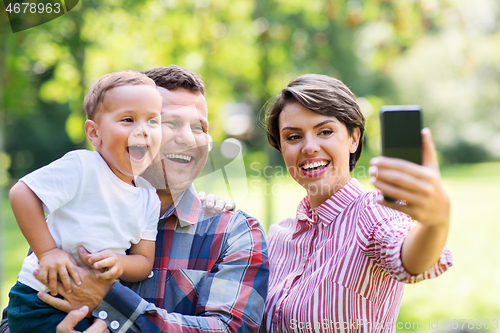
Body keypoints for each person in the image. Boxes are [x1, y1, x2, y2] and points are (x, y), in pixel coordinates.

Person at [0, 65, 269, 333]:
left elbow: (230, 330)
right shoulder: (76, 204)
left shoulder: (232, 234)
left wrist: (109, 301)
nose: (188, 138)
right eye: (169, 122)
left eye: (199, 127)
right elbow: (14, 319)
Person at [261, 74, 452, 333]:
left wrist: (435, 221)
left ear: (353, 138)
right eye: (293, 137)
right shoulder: (277, 236)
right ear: (282, 148)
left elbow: (411, 261)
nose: (309, 147)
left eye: (325, 131)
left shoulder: (375, 214)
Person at [6, 70, 163, 333]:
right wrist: (47, 252)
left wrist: (120, 263)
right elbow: (22, 194)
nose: (143, 131)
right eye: (128, 119)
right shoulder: (84, 166)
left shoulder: (148, 197)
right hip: (42, 297)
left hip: (94, 304)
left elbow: (143, 261)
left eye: (153, 121)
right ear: (94, 133)